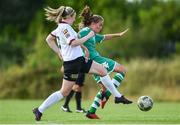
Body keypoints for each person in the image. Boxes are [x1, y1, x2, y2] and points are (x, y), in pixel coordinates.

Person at [32, 5, 132, 121]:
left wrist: (61, 52)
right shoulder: (65, 28)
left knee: (103, 71)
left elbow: (49, 39)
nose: (74, 19)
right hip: (73, 63)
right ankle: (39, 110)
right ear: (69, 17)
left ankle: (118, 96)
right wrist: (88, 36)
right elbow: (73, 43)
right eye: (73, 17)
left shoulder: (61, 28)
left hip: (79, 60)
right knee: (64, 92)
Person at [78, 6, 132, 119]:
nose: (101, 27)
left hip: (92, 63)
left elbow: (104, 37)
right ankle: (114, 96)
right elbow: (76, 39)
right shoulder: (86, 31)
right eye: (100, 24)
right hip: (96, 60)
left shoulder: (91, 34)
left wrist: (118, 35)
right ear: (92, 23)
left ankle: (91, 111)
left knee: (104, 88)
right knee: (122, 70)